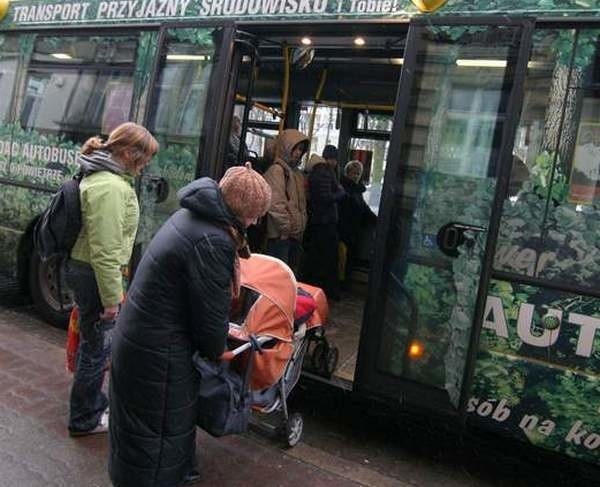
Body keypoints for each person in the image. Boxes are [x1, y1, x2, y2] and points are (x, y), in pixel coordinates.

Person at [108, 163, 271, 487]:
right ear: (241, 210)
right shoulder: (214, 241)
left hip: (143, 342)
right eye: (255, 214)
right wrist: (224, 344)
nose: (254, 222)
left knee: (140, 438)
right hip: (159, 356)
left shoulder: (192, 217)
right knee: (157, 448)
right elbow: (210, 332)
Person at [66, 122, 159, 437]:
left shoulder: (106, 178)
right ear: (129, 153)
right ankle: (84, 418)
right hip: (96, 274)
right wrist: (112, 298)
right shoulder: (111, 187)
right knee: (97, 350)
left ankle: (90, 405)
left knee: (92, 345)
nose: (146, 164)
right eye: (144, 156)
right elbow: (105, 250)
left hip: (88, 270)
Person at [263, 129, 309, 271]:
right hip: (280, 237)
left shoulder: (295, 173)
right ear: (285, 148)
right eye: (295, 149)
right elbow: (276, 205)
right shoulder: (277, 171)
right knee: (278, 279)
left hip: (292, 236)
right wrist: (286, 229)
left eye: (301, 150)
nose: (298, 153)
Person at [304, 151, 345, 300]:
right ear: (330, 159)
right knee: (327, 259)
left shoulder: (316, 172)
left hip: (317, 221)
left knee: (317, 258)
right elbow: (326, 198)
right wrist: (340, 192)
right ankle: (326, 292)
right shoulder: (324, 172)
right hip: (325, 222)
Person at [338, 160, 377, 286]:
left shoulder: (357, 191)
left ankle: (344, 283)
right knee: (342, 261)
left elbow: (364, 209)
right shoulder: (344, 189)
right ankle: (341, 284)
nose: (356, 176)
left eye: (358, 173)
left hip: (352, 232)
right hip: (343, 232)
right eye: (353, 173)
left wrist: (377, 220)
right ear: (347, 173)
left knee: (348, 260)